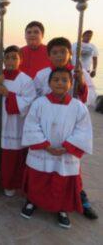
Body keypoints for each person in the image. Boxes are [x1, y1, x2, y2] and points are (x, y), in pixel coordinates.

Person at [33, 37, 98, 219]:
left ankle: (80, 197)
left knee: (70, 168)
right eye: (55, 52)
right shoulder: (42, 74)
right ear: (49, 55)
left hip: (69, 128)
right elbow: (33, 96)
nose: (59, 56)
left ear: (70, 53)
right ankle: (40, 198)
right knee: (44, 164)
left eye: (63, 52)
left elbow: (89, 99)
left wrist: (82, 84)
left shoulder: (80, 73)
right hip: (47, 127)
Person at [21, 67, 93, 229]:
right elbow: (31, 124)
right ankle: (32, 201)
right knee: (38, 178)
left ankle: (62, 208)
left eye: (64, 80)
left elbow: (83, 131)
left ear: (70, 83)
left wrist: (67, 147)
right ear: (49, 82)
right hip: (42, 151)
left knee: (62, 181)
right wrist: (45, 145)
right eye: (56, 80)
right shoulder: (39, 103)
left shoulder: (78, 106)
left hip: (65, 154)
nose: (60, 83)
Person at [0, 46, 36, 195]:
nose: (10, 61)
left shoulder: (26, 80)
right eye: (7, 57)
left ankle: (9, 183)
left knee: (10, 153)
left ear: (20, 60)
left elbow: (28, 102)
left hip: (12, 122)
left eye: (14, 58)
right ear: (2, 60)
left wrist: (9, 95)